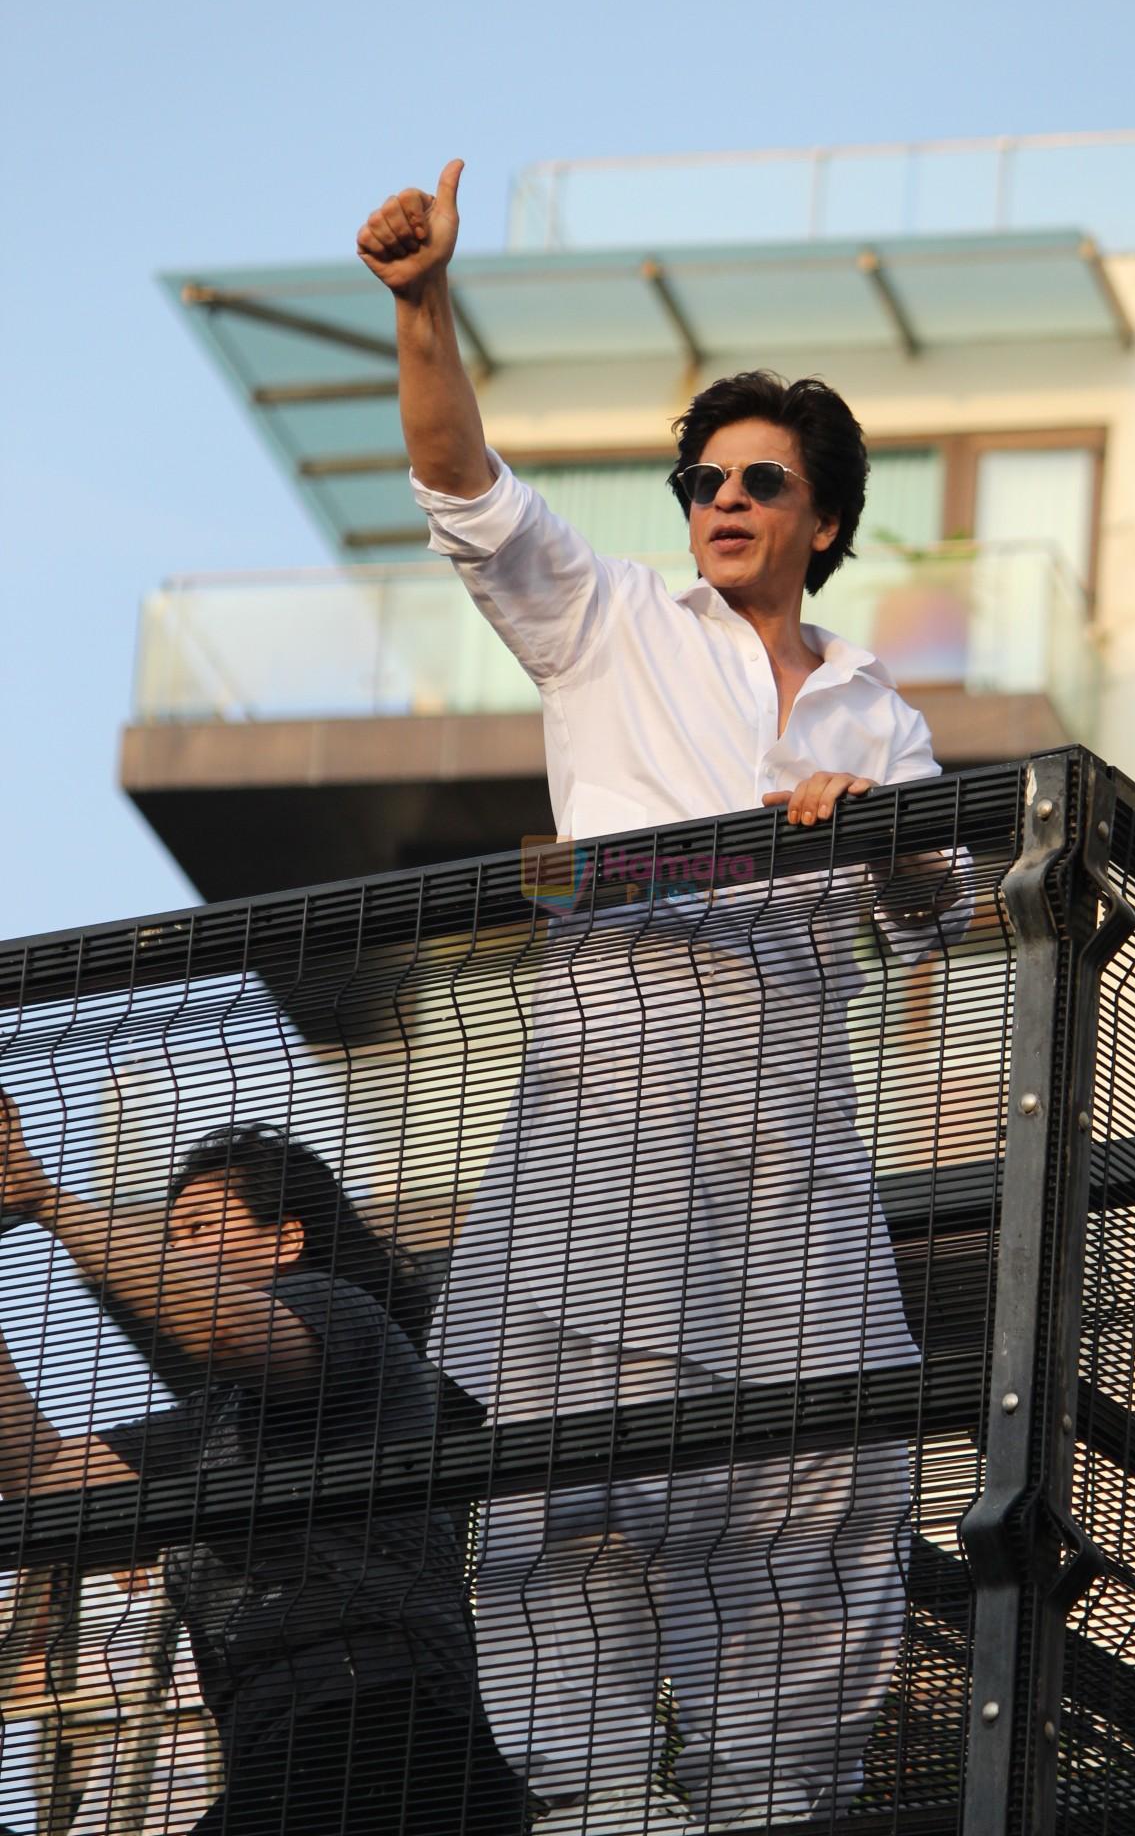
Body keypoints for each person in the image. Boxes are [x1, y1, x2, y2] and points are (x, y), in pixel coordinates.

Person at [356, 166, 971, 1834]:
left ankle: (775, 1804)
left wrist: (890, 848)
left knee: (832, 1479)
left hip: (785, 1129)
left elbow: (942, 914)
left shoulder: (872, 706)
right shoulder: (610, 619)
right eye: (703, 477)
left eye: (760, 482)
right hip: (612, 1099)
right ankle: (596, 1807)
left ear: (824, 522)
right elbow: (461, 482)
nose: (722, 499)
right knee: (565, 1495)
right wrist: (422, 306)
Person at [0, 1098, 528, 1836]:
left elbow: (220, 1326)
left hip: (386, 1721)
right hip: (280, 1743)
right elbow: (47, 1486)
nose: (176, 1252)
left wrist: (44, 1200)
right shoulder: (215, 1419)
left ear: (285, 1240)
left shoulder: (340, 1310)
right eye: (170, 1234)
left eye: (199, 1230)